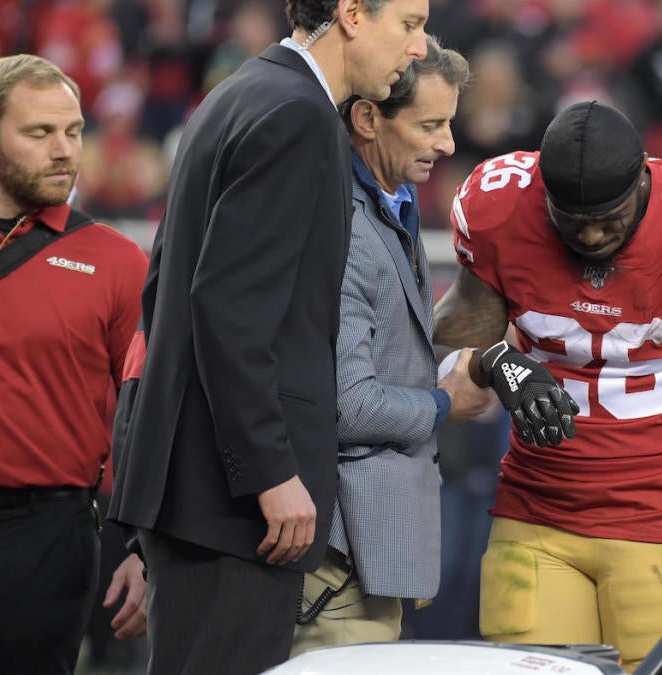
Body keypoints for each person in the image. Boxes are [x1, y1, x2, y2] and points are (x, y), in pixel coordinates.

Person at [107, 1, 430, 673]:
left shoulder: (244, 91)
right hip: (234, 504)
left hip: (194, 483)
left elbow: (169, 287)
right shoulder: (299, 114)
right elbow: (227, 308)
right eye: (409, 22)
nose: (420, 47)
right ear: (350, 15)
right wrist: (270, 471)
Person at [433, 100, 662, 675]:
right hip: (535, 516)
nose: (593, 233)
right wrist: (499, 360)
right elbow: (440, 351)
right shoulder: (501, 209)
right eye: (571, 219)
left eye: (609, 215)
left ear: (642, 180)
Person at [290, 35, 496, 655]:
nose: (448, 144)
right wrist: (443, 403)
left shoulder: (389, 200)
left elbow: (385, 345)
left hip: (368, 552)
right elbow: (349, 406)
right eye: (430, 124)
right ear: (368, 118)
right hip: (342, 550)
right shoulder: (347, 223)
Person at [0, 54, 148, 674]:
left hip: (48, 531)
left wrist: (146, 547)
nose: (64, 150)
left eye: (74, 130)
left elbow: (154, 408)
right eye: (38, 133)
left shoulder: (117, 262)